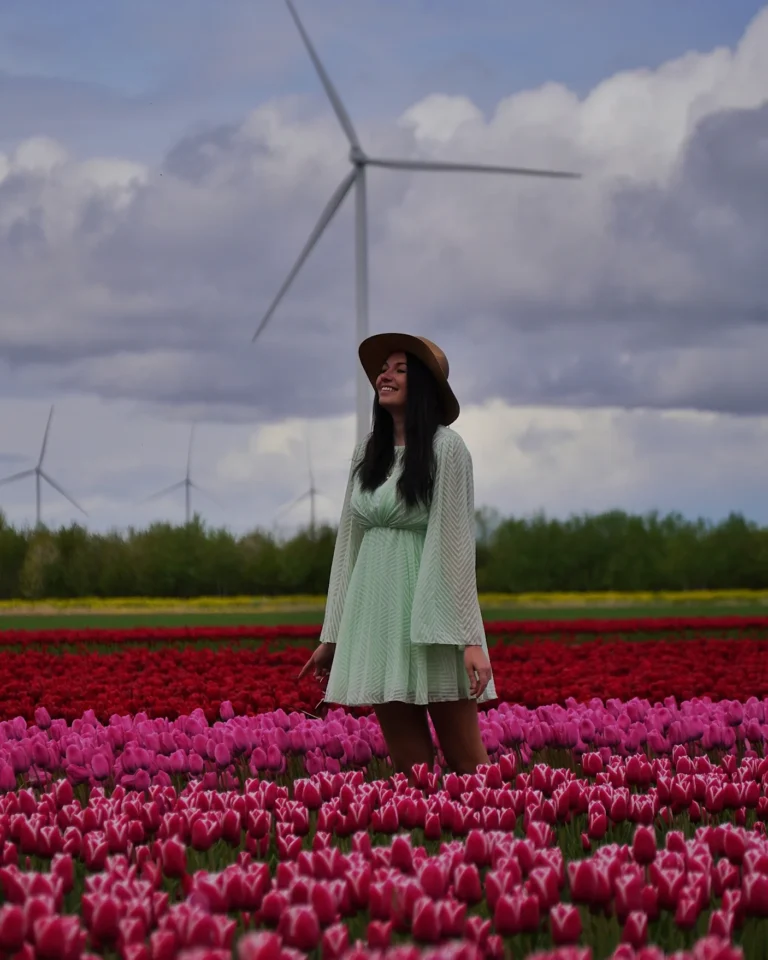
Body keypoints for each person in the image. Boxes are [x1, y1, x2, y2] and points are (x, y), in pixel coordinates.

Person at [298, 333, 496, 775]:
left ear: (424, 385)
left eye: (399, 369)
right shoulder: (366, 453)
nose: (383, 376)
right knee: (411, 767)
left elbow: (457, 546)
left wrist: (469, 639)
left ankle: (493, 841)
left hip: (434, 623)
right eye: (383, 369)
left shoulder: (448, 448)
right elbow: (347, 548)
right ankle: (429, 841)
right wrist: (333, 636)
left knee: (468, 759)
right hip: (376, 622)